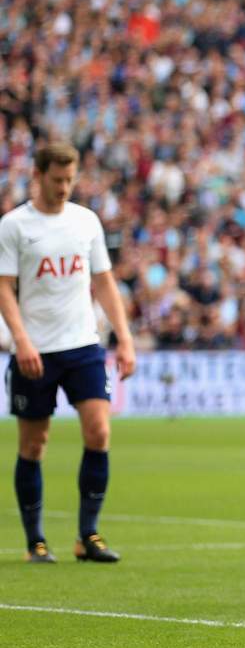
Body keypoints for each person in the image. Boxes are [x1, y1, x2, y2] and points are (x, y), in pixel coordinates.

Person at [0, 142, 136, 564]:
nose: (63, 187)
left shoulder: (85, 222)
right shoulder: (15, 226)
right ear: (38, 176)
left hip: (84, 345)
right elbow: (3, 286)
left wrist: (124, 337)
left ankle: (87, 535)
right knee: (34, 443)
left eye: (69, 179)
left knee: (99, 431)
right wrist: (20, 338)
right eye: (56, 180)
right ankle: (35, 541)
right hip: (36, 349)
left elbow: (104, 282)